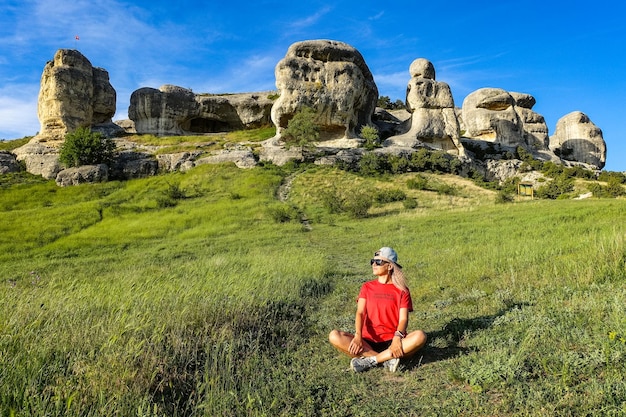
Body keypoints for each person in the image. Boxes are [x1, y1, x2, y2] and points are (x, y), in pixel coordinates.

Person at [328, 247, 427, 372]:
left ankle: (372, 360)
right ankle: (387, 359)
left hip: (393, 341)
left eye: (378, 262)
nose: (374, 265)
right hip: (367, 342)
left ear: (390, 266)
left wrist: (397, 338)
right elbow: (360, 313)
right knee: (334, 335)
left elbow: (403, 319)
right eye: (372, 262)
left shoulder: (402, 291)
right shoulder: (367, 287)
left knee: (420, 336)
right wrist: (358, 336)